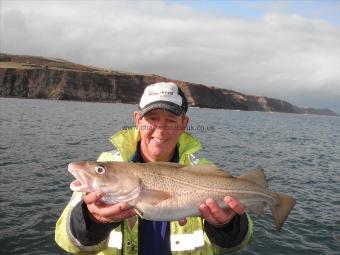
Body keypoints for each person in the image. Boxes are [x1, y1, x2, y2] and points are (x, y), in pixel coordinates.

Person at [55, 82, 253, 255]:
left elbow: (237, 244)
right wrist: (91, 219)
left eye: (171, 120)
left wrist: (226, 225)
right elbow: (68, 242)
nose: (160, 128)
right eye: (152, 118)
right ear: (138, 120)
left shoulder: (203, 169)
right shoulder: (107, 163)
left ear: (184, 123)